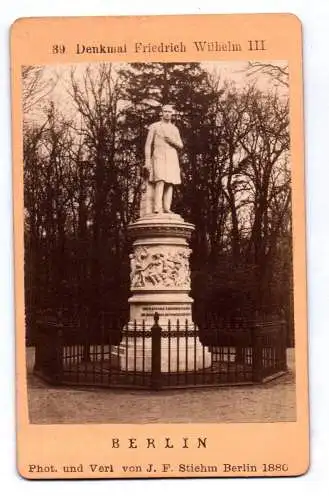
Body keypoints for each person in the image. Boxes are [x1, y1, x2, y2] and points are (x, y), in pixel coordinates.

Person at [144, 104, 183, 214]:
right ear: (161, 113)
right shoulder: (155, 126)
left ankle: (167, 207)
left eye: (169, 112)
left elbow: (181, 145)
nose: (167, 114)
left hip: (171, 156)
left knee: (170, 182)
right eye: (165, 111)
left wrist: (172, 141)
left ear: (172, 114)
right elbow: (148, 144)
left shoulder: (174, 128)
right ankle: (157, 207)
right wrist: (147, 160)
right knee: (160, 180)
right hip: (158, 155)